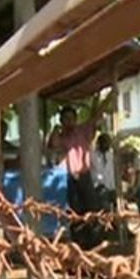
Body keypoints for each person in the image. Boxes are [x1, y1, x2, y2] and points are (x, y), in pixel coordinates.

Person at [47, 99, 112, 248]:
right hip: (69, 178)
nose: (69, 122)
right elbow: (52, 146)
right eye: (66, 119)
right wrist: (56, 129)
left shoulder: (83, 131)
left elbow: (96, 116)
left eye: (71, 118)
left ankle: (95, 242)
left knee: (92, 209)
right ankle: (79, 244)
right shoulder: (61, 137)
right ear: (62, 121)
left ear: (75, 119)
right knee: (75, 212)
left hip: (84, 175)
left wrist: (109, 97)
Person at [91, 133, 116, 209]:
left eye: (108, 142)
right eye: (105, 142)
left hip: (111, 186)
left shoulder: (111, 154)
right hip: (99, 186)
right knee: (105, 209)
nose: (107, 144)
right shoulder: (93, 155)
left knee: (116, 209)